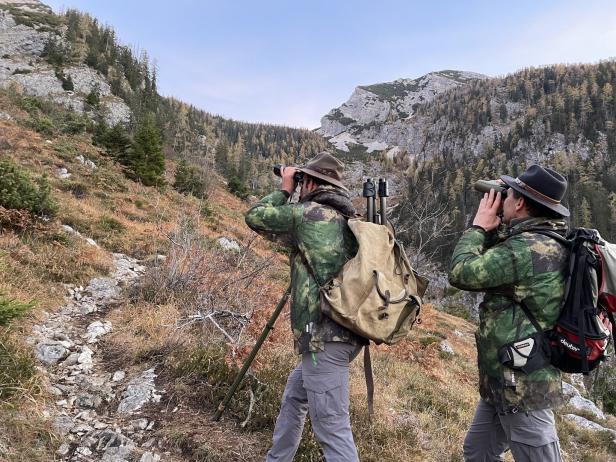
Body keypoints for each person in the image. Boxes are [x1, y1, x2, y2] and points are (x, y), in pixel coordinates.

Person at [245, 152, 363, 462]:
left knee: (332, 427)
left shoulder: (307, 214)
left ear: (309, 182)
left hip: (323, 338)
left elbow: (256, 216)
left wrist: (285, 188)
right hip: (343, 336)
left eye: (301, 181)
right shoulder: (347, 220)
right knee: (295, 395)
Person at [448, 164, 570, 462]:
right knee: (479, 453)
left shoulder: (527, 249)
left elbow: (462, 273)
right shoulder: (539, 241)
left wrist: (478, 227)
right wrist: (497, 226)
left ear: (521, 203)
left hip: (523, 386)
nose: (502, 199)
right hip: (503, 380)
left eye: (508, 194)